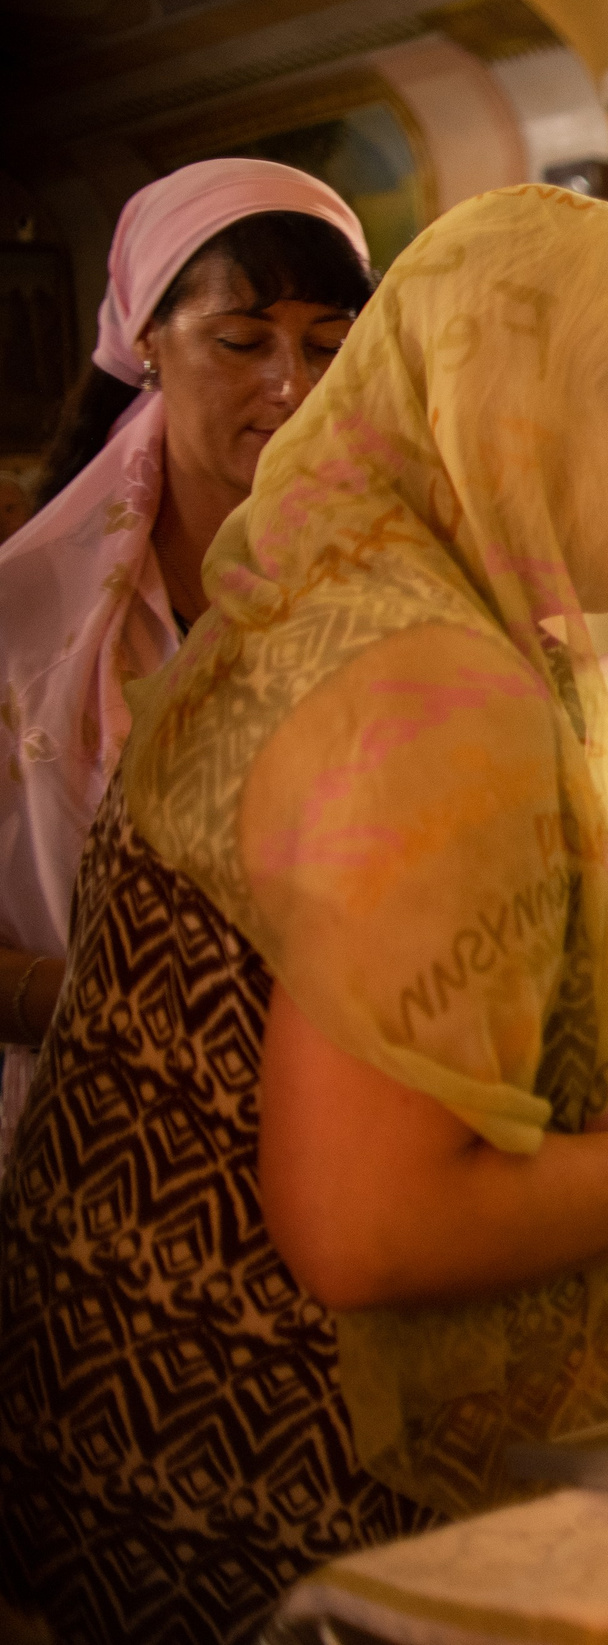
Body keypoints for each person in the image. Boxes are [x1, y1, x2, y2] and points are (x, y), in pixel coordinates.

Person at [0, 188, 608, 1643]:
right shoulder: (425, 694)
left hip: (105, 1445)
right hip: (263, 1506)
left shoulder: (340, 597)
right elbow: (367, 1224)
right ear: (515, 419)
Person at [0, 160, 373, 1171]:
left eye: (328, 345)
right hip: (81, 1133)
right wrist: (88, 995)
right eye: (242, 341)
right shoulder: (27, 617)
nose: (290, 385)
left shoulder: (385, 588)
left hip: (333, 1124)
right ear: (147, 342)